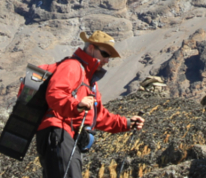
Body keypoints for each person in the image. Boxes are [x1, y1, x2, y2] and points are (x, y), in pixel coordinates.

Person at [35, 31, 145, 178]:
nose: (107, 60)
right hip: (58, 133)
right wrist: (77, 106)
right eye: (105, 54)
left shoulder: (89, 82)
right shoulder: (72, 66)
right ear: (92, 48)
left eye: (109, 57)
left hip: (67, 137)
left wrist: (127, 123)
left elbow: (98, 117)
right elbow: (55, 94)